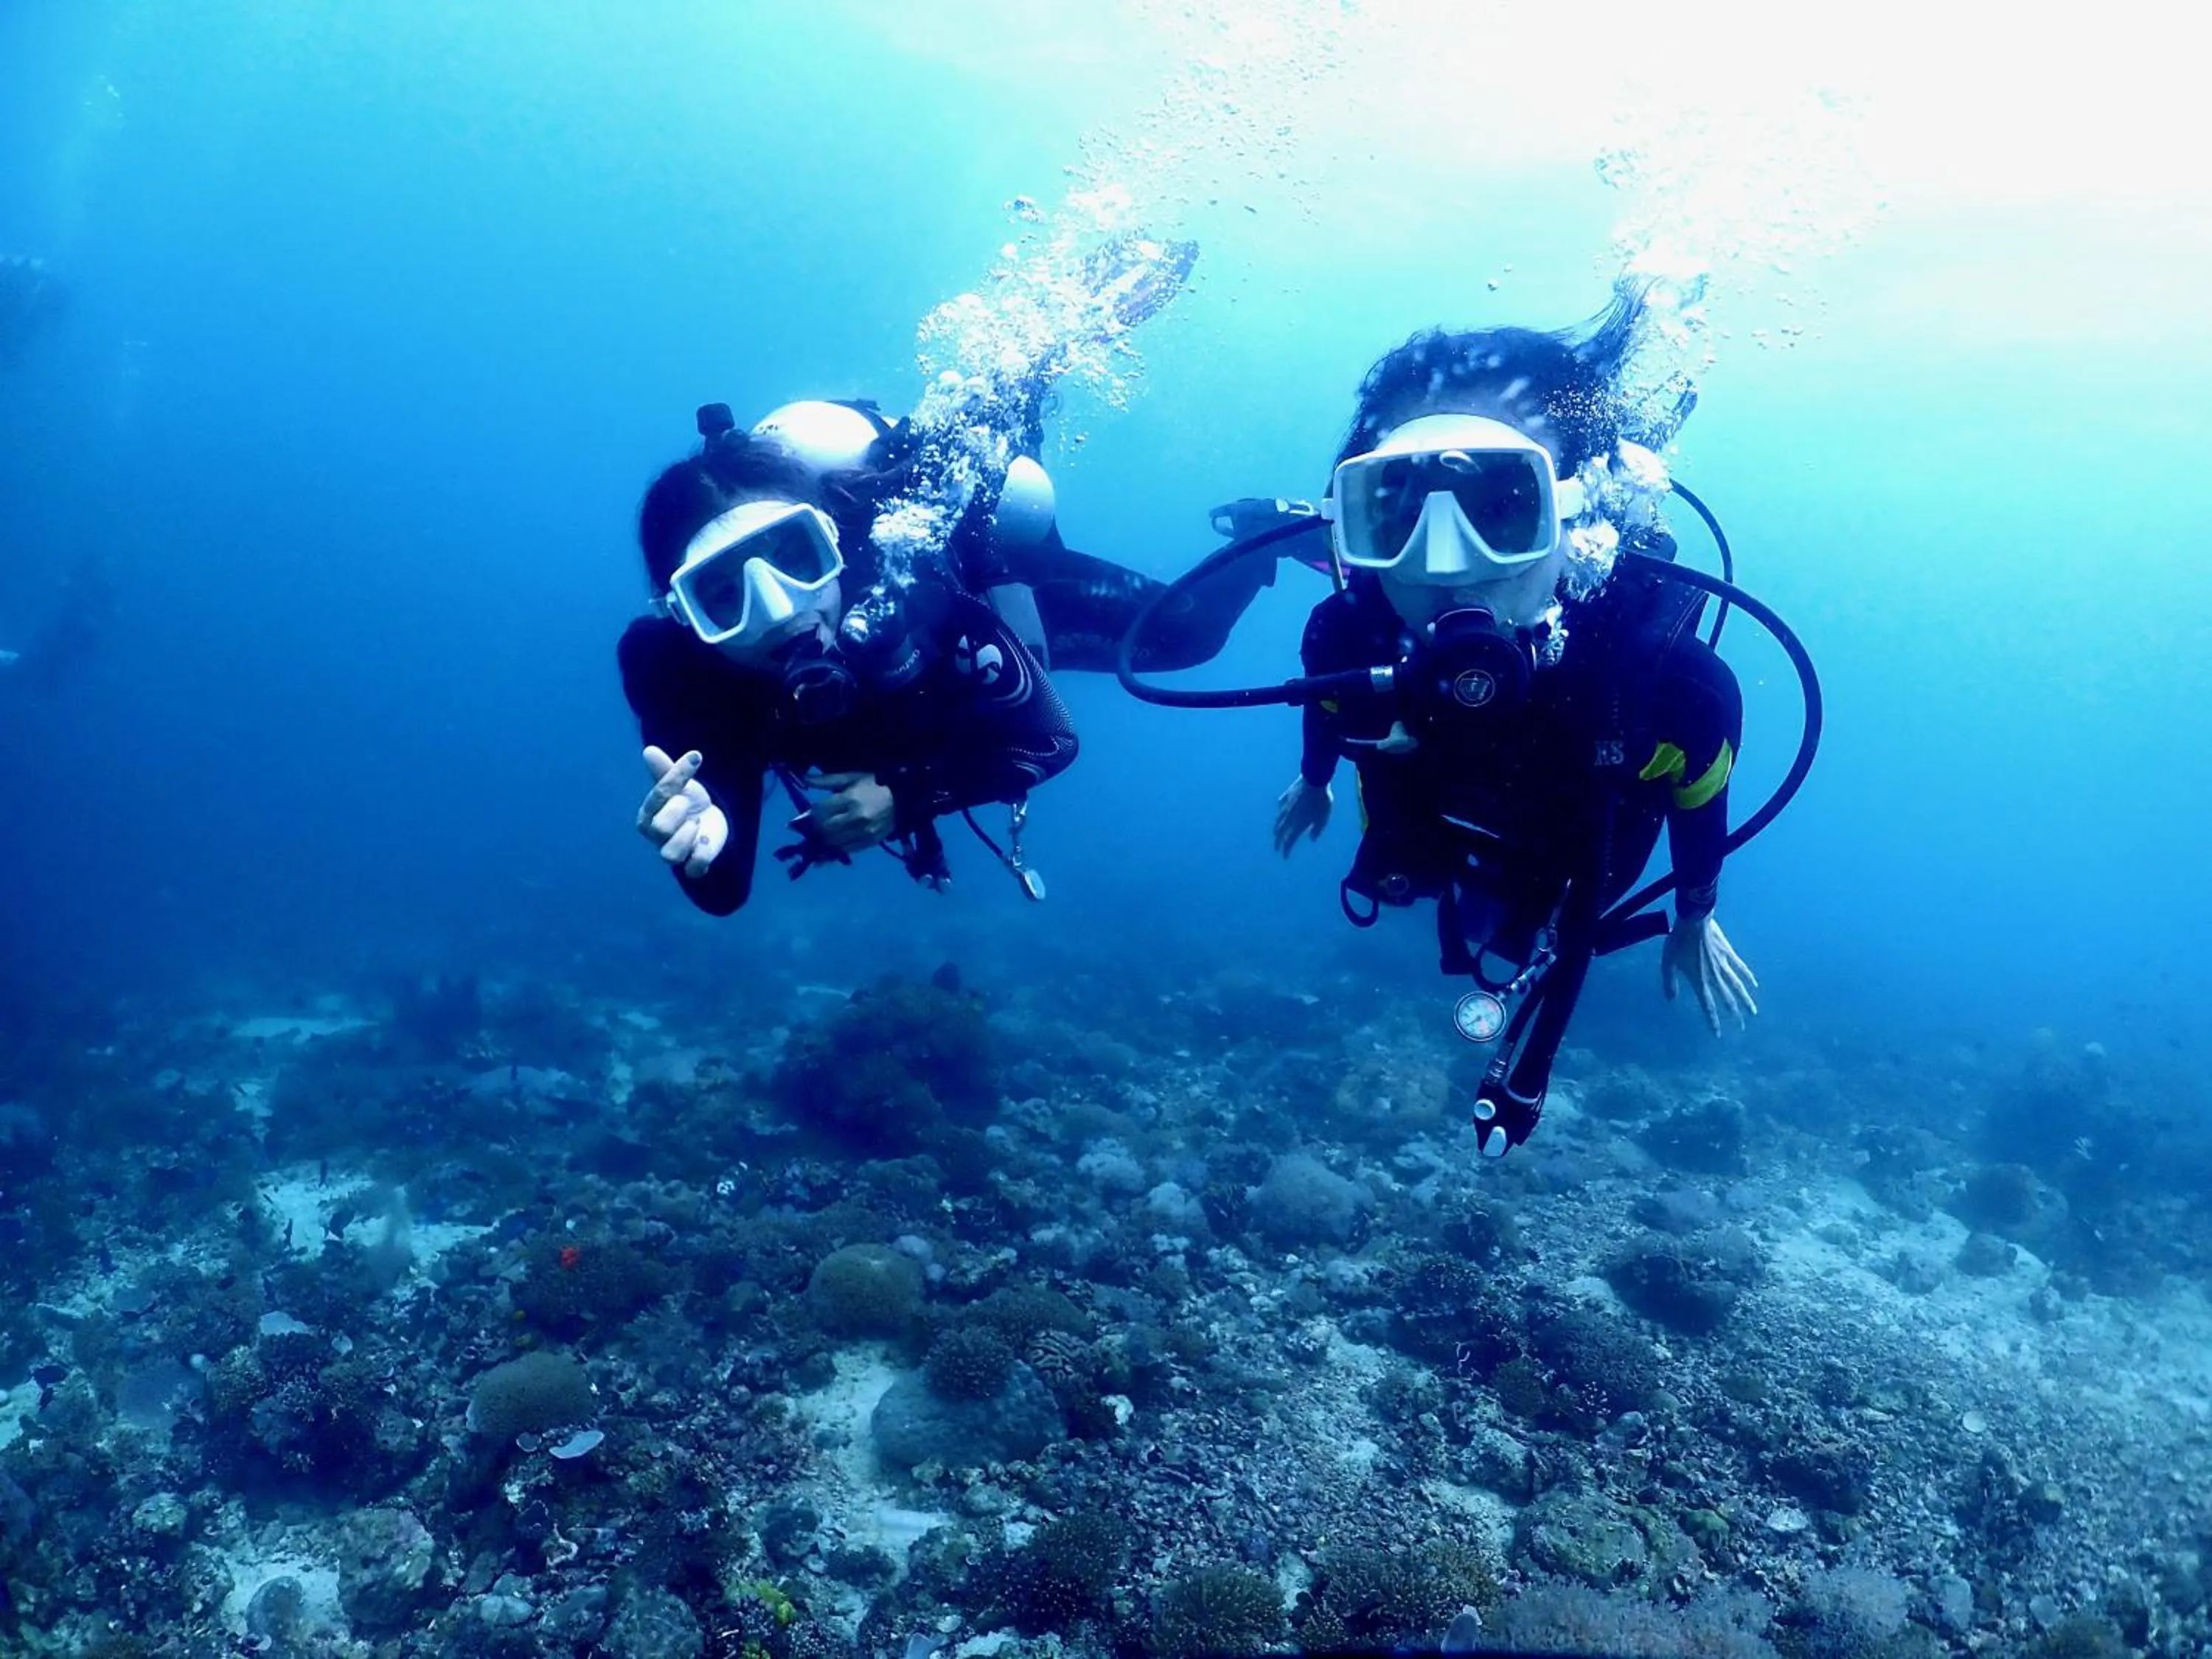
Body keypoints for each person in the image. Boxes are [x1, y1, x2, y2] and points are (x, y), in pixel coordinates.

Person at [1272, 295, 1762, 1158]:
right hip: (1430, 823)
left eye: (1502, 505)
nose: (1447, 560)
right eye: (1399, 509)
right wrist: (1313, 781)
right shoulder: (1342, 637)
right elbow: (1327, 705)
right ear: (1352, 528)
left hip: (1576, 854)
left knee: (1523, 925)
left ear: (1581, 517)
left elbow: (1697, 799)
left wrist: (1695, 910)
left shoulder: (1674, 692)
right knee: (1425, 886)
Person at [621, 408, 1079, 917]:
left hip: (1021, 607)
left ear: (831, 540)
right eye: (724, 595)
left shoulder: (904, 586)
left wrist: (909, 796)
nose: (779, 611)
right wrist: (700, 840)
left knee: (1185, 633)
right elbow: (722, 888)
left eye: (796, 559)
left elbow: (1050, 738)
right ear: (683, 616)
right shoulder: (678, 675)